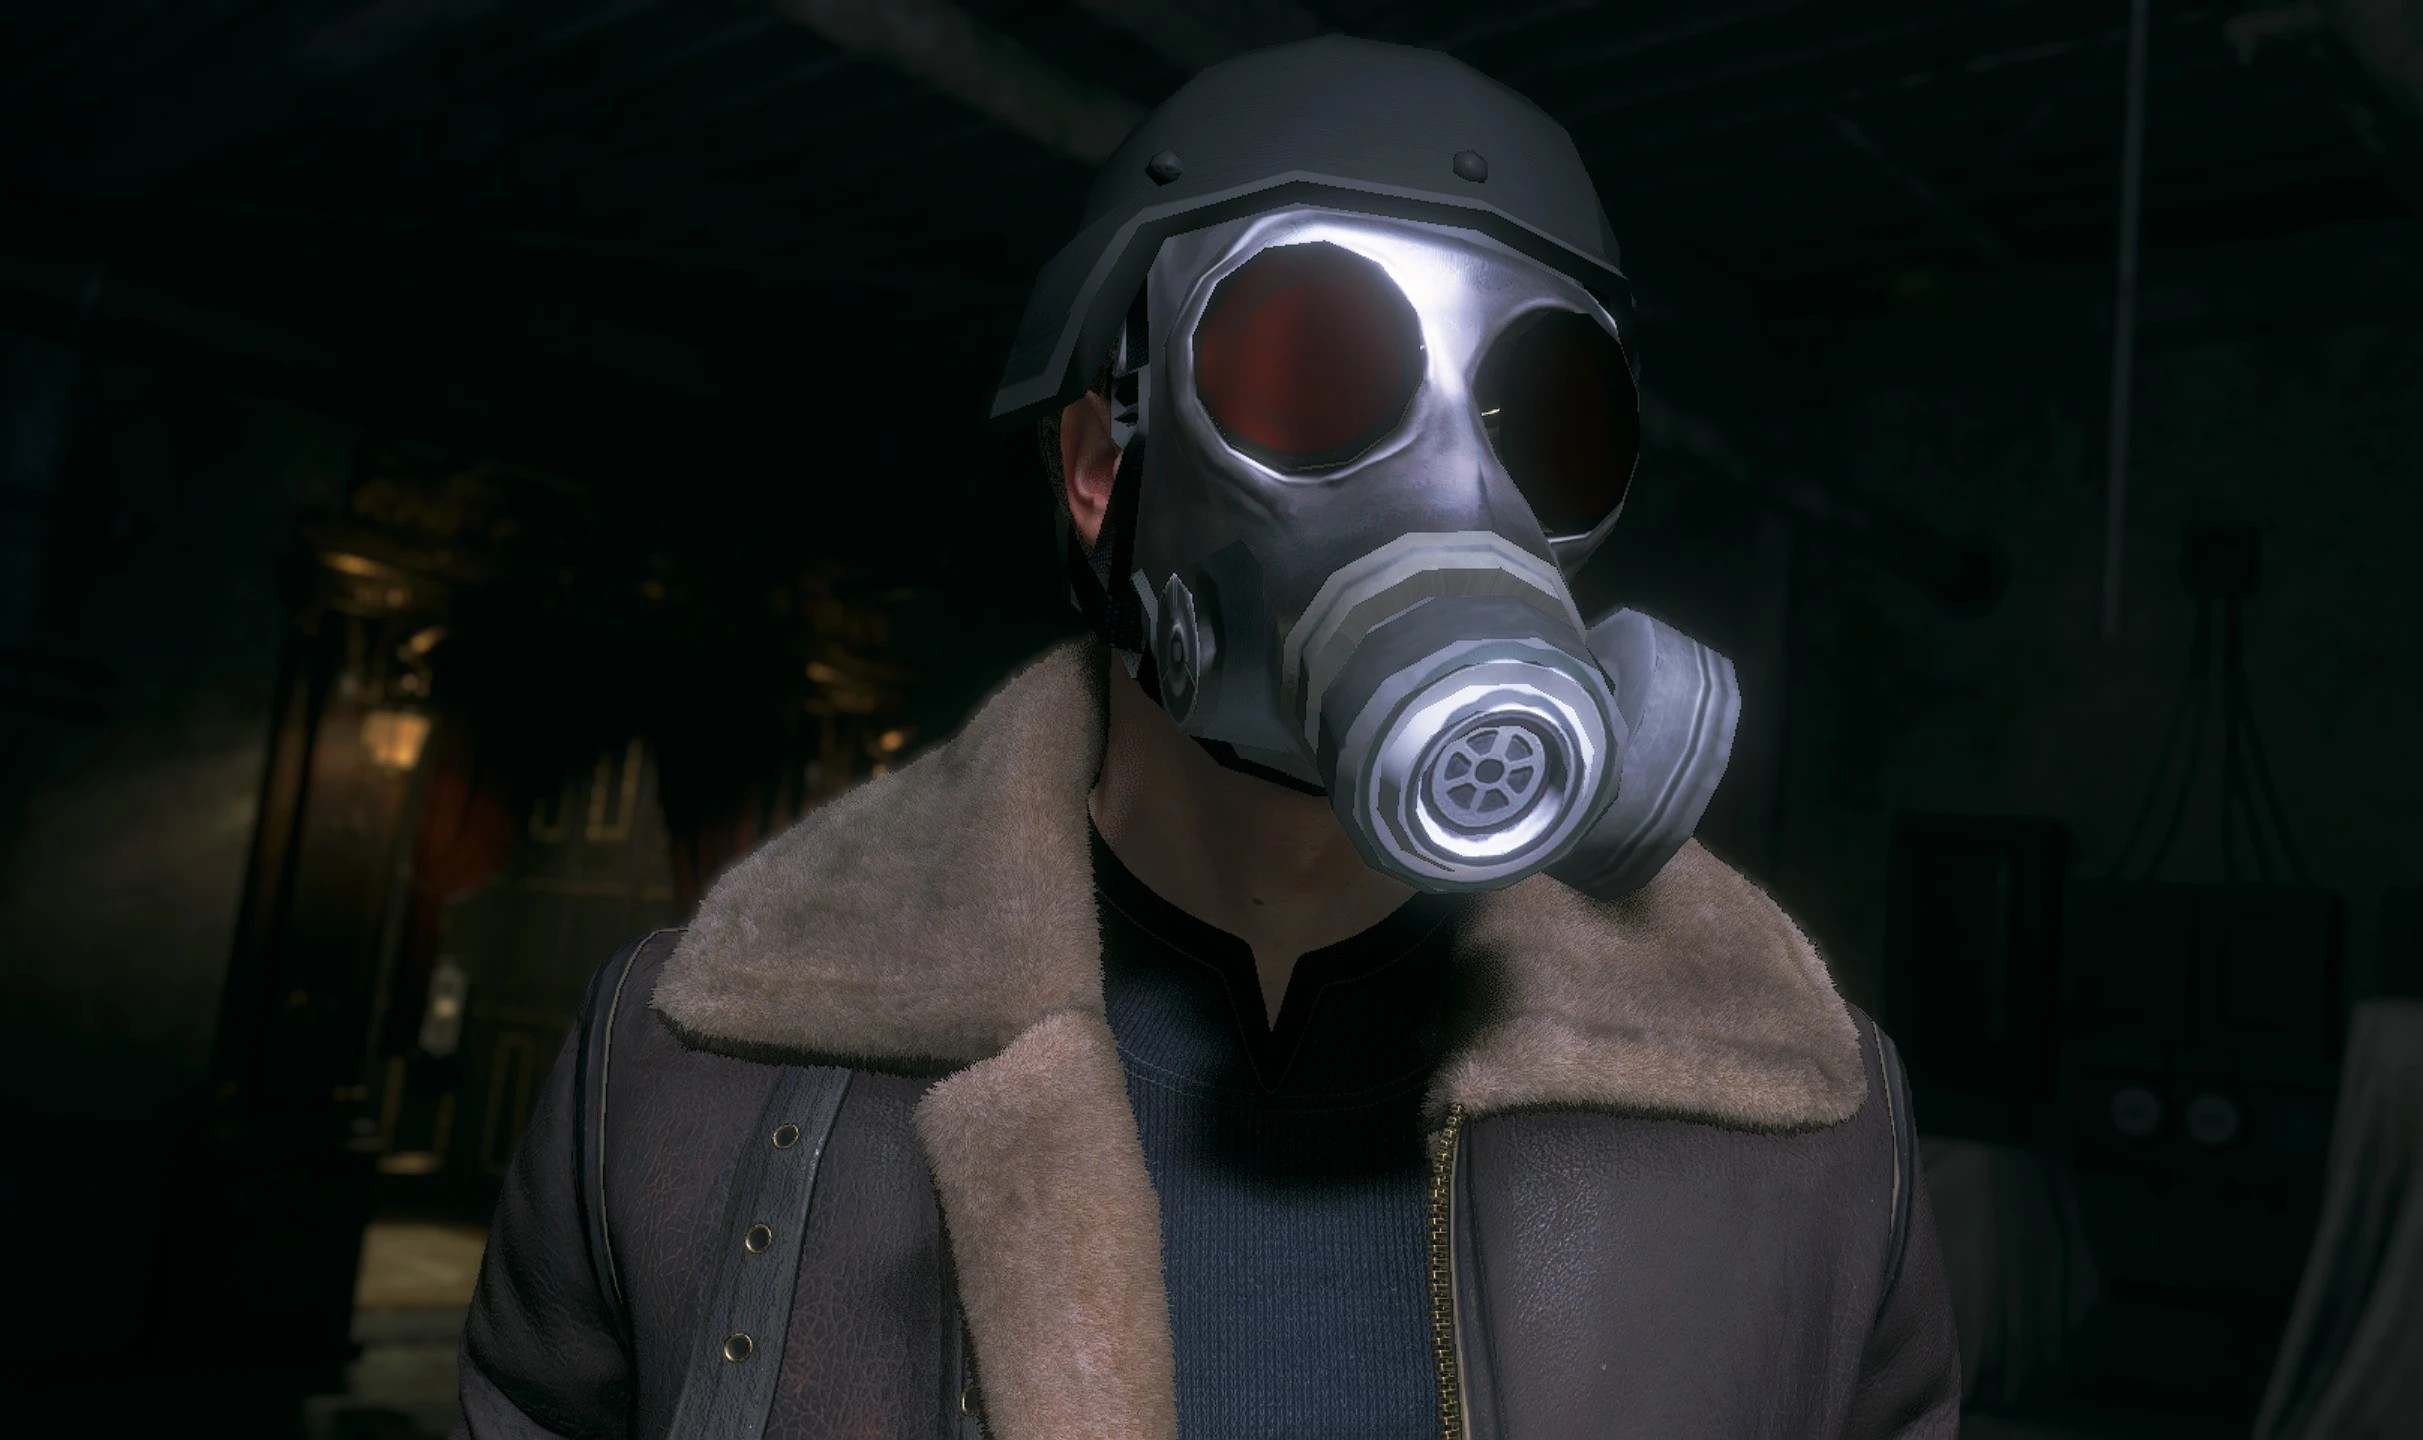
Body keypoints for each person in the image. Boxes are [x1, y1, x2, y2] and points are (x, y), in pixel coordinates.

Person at [458, 35, 1958, 1440]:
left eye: (1540, 419)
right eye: (1315, 379)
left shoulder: (1805, 1121)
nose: (1459, 492)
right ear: (1102, 468)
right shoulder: (691, 1067)